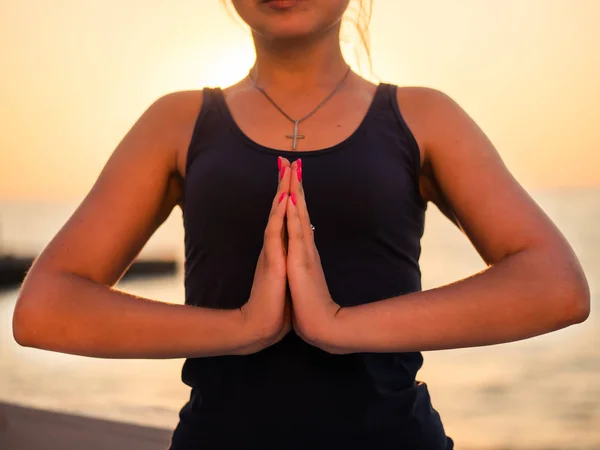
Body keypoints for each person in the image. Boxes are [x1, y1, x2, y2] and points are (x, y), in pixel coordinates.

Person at [12, 0, 590, 449]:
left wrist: (337, 325)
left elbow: (554, 285)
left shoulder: (422, 116)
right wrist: (244, 326)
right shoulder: (177, 122)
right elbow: (45, 308)